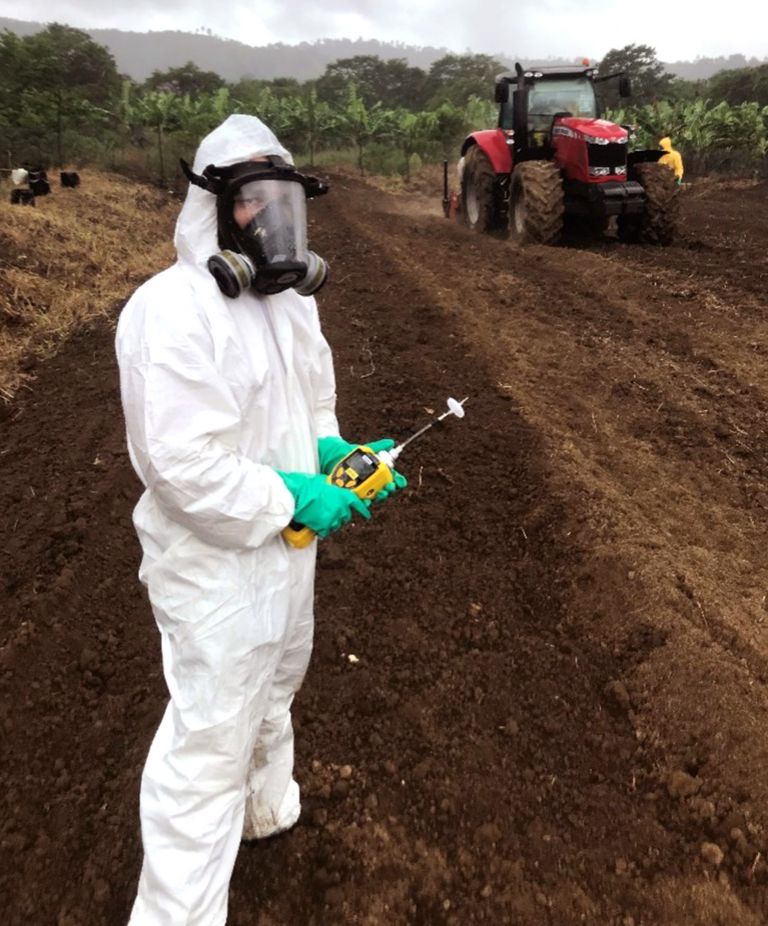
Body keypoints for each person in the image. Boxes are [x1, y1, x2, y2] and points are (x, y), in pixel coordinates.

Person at [115, 113, 405, 925]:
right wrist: (291, 494)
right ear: (212, 205)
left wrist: (338, 453)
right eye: (251, 199)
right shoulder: (169, 312)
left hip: (285, 554)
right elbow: (178, 466)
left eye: (283, 196)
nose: (271, 217)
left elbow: (313, 400)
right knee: (209, 738)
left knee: (277, 684)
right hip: (213, 566)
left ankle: (266, 809)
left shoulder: (289, 306)